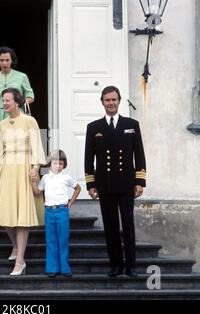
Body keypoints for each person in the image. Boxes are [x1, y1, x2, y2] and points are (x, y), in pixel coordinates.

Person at [84, 85, 146, 278]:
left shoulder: (131, 125)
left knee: (128, 225)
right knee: (110, 227)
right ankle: (116, 265)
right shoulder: (94, 127)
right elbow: (88, 158)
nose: (110, 103)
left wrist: (139, 182)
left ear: (119, 101)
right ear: (102, 102)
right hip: (105, 185)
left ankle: (131, 266)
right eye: (107, 100)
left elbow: (140, 155)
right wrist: (91, 184)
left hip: (127, 184)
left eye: (114, 99)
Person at [0, 87, 46, 276]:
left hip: (24, 167)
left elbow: (37, 147)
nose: (4, 103)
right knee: (5, 214)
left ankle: (20, 261)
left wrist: (35, 167)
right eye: (3, 100)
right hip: (7, 168)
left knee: (22, 215)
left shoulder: (29, 121)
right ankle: (15, 246)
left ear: (17, 102)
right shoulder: (2, 124)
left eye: (7, 100)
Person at [31, 150, 81, 278]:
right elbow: (37, 192)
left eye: (60, 163)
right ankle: (52, 268)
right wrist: (32, 182)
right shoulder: (46, 178)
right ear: (50, 164)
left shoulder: (66, 177)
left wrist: (70, 202)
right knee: (51, 241)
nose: (57, 166)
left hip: (62, 211)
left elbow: (78, 188)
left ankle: (64, 268)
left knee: (63, 240)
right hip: (49, 212)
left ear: (64, 164)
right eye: (55, 163)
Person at [0, 46, 34, 164]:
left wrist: (17, 103)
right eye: (2, 60)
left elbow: (30, 96)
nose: (5, 63)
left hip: (17, 114)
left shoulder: (22, 76)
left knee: (17, 146)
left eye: (7, 60)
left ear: (12, 60)